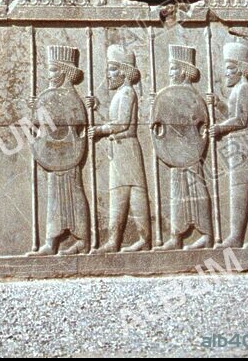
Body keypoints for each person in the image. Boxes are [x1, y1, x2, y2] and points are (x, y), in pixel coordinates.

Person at [209, 37, 248, 247]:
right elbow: (234, 114)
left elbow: (241, 120)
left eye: (229, 68)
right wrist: (218, 104)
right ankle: (238, 235)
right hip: (240, 143)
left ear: (241, 70)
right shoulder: (238, 89)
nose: (225, 72)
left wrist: (219, 128)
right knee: (241, 189)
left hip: (246, 143)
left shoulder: (245, 88)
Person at [28, 45, 89, 256]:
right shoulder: (52, 96)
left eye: (53, 70)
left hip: (68, 156)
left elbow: (74, 124)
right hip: (54, 155)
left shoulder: (72, 99)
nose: (49, 75)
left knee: (74, 194)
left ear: (64, 71)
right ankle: (52, 240)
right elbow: (41, 123)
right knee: (54, 197)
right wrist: (37, 107)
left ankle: (82, 240)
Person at [89, 45, 150, 252]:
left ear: (124, 71)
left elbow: (122, 123)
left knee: (134, 193)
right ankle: (115, 241)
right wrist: (98, 107)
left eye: (113, 68)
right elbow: (115, 118)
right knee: (120, 194)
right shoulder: (121, 94)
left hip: (127, 148)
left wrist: (100, 130)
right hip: (120, 148)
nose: (108, 73)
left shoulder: (126, 93)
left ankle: (143, 239)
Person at [153, 45, 213, 250]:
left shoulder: (193, 98)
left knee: (196, 188)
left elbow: (203, 126)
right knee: (177, 192)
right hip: (175, 153)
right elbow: (158, 123)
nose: (169, 73)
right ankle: (176, 235)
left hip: (190, 151)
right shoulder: (168, 95)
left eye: (172, 68)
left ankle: (206, 234)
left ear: (183, 70)